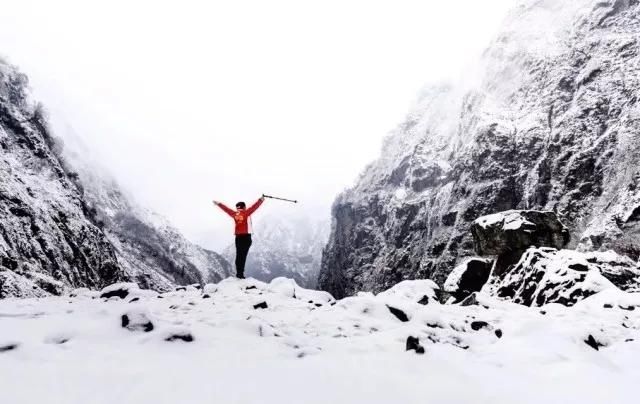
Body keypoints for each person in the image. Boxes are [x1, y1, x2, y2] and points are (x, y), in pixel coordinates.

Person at [212, 196, 265, 279]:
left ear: (237, 208)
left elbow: (226, 209)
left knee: (239, 255)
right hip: (246, 237)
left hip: (238, 238)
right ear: (244, 207)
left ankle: (239, 273)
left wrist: (218, 204)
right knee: (243, 256)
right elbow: (255, 207)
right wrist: (261, 200)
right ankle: (241, 275)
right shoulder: (246, 212)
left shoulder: (234, 214)